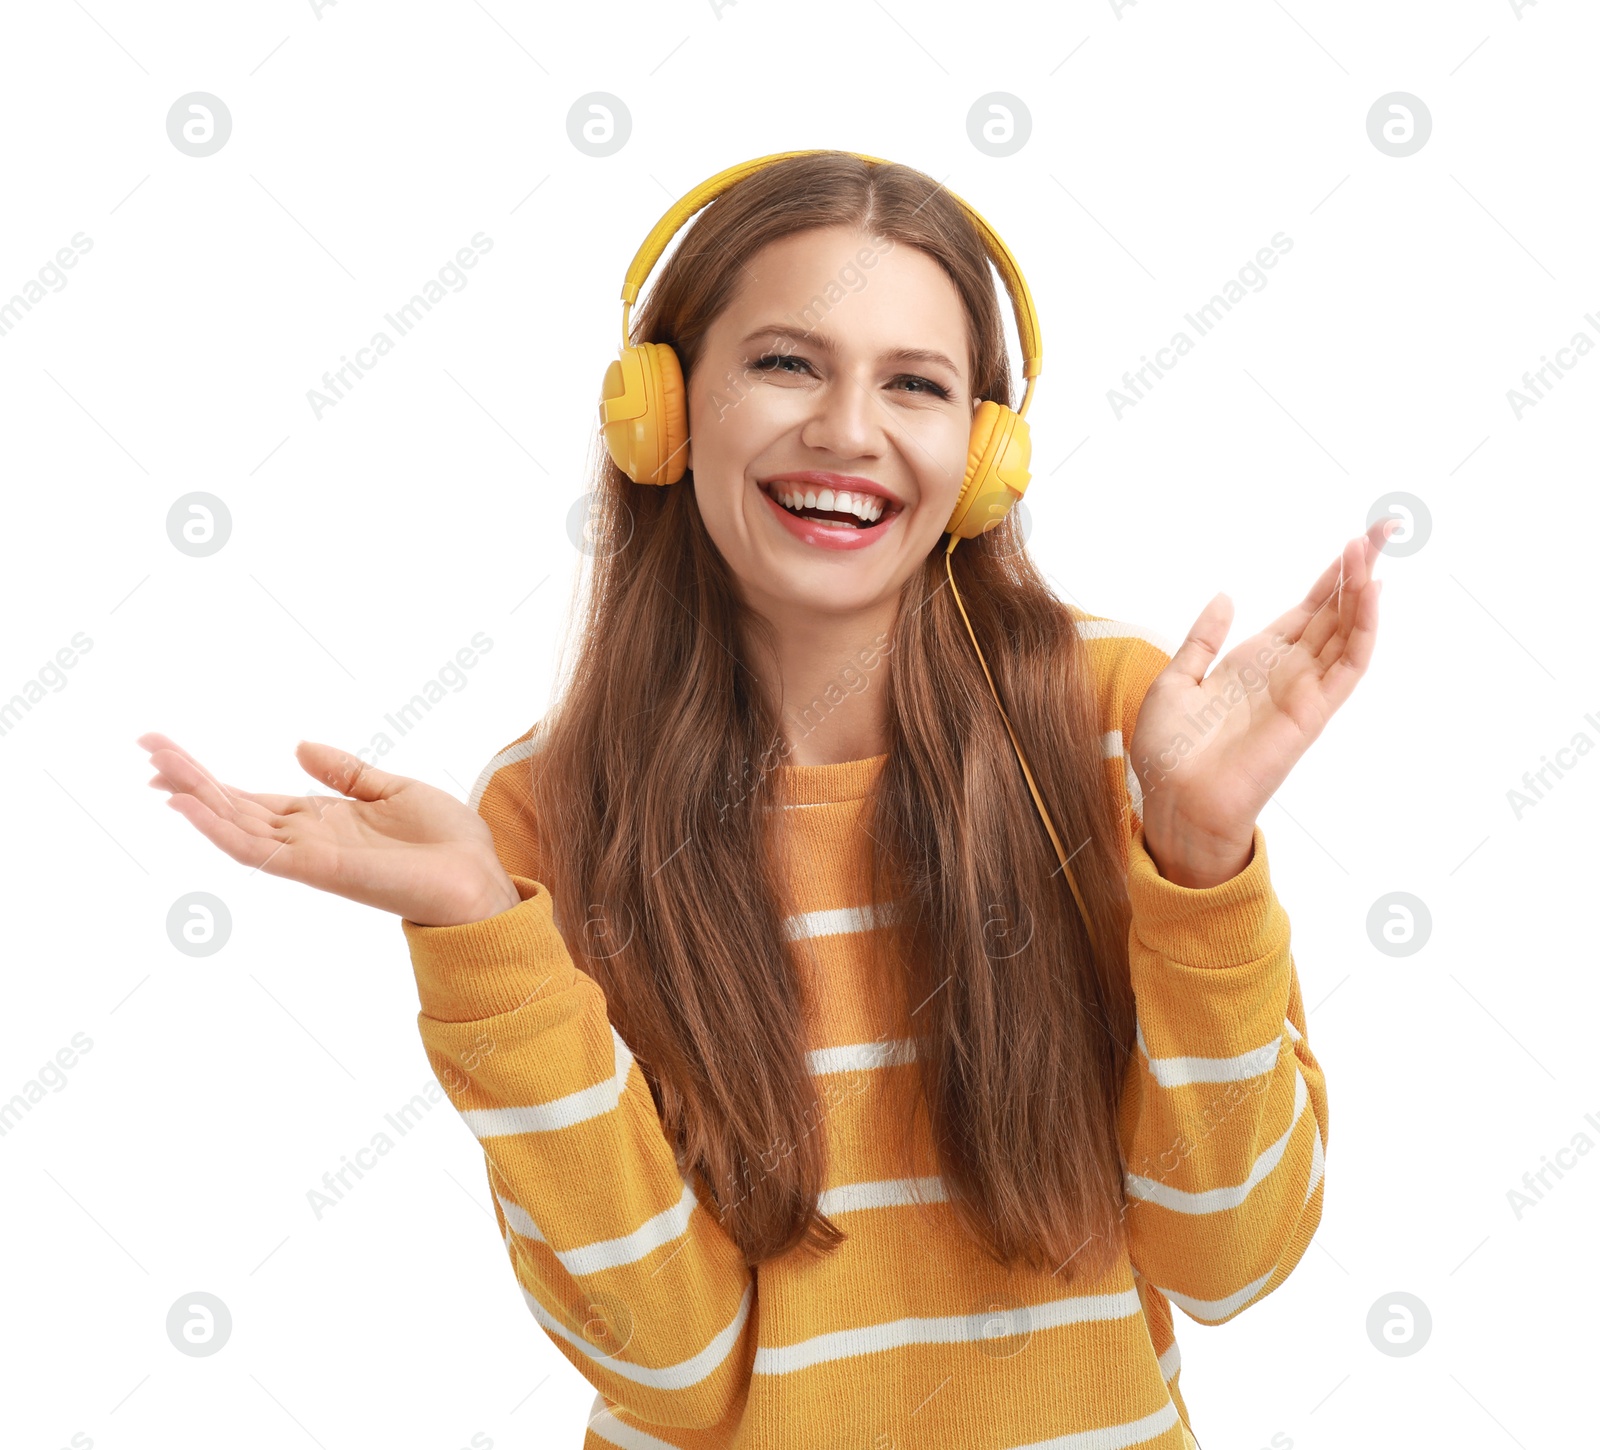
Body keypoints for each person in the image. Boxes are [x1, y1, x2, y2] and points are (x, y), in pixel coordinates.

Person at [139, 151, 1391, 1450]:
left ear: (982, 457)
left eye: (914, 383)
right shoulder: (545, 814)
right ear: (663, 415)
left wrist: (1201, 862)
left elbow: (1231, 1259)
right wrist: (479, 935)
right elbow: (675, 1371)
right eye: (788, 363)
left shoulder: (1126, 728)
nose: (850, 429)